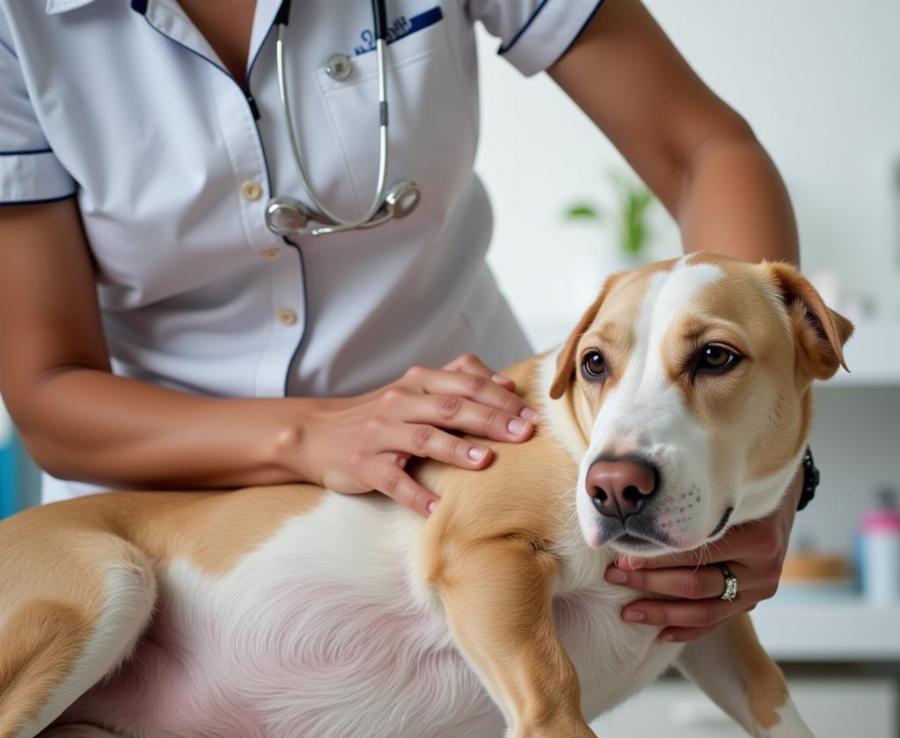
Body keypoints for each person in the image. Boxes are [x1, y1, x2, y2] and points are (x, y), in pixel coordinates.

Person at [0, 0, 805, 642]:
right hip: (170, 571)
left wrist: (762, 465)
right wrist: (309, 434)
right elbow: (46, 390)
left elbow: (702, 148)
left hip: (489, 530)